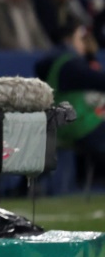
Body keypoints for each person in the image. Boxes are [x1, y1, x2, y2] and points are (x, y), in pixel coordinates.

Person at [36, 20, 105, 159]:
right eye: (81, 38)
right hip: (78, 126)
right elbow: (98, 80)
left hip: (67, 124)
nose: (85, 43)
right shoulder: (70, 65)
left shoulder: (57, 62)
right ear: (69, 40)